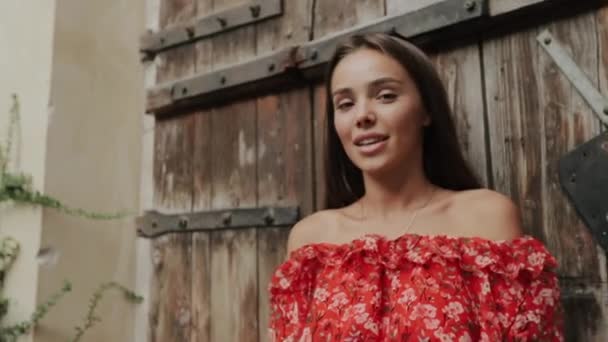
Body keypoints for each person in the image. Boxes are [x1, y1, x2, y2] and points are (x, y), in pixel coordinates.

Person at [268, 32, 564, 341]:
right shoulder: (311, 242)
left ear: (426, 110)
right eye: (345, 104)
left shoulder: (486, 218)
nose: (363, 116)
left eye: (385, 96)